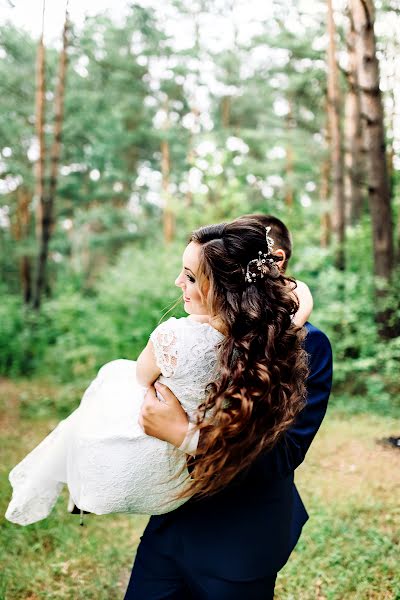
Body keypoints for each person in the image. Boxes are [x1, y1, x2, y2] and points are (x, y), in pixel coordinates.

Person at [5, 217, 310, 527]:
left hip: (231, 518)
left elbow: (142, 376)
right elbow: (300, 301)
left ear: (224, 285)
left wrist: (185, 435)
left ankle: (78, 469)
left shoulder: (177, 337)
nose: (179, 282)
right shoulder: (274, 336)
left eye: (190, 277)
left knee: (112, 375)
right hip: (174, 504)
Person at [125, 214, 333, 600]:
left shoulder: (307, 344)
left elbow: (283, 454)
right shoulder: (190, 333)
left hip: (241, 540)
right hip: (170, 528)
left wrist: (185, 436)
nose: (181, 283)